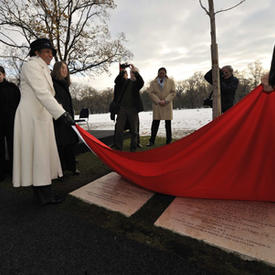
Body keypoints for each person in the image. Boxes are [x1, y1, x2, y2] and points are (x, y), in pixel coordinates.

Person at [13, 38, 75, 206]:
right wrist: (61, 114)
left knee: (40, 155)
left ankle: (42, 195)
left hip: (41, 115)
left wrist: (60, 109)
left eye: (51, 52)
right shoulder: (31, 66)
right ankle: (45, 196)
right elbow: (41, 92)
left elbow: (48, 95)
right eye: (46, 52)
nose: (50, 55)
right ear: (36, 52)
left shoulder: (44, 69)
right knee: (38, 155)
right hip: (31, 116)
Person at [51, 61, 80, 176]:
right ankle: (61, 169)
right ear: (57, 70)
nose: (65, 70)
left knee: (70, 143)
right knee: (61, 144)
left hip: (68, 118)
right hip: (59, 118)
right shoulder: (53, 83)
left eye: (66, 68)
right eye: (62, 68)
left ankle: (72, 167)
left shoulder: (64, 84)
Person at [113, 63, 144, 152]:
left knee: (134, 131)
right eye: (131, 72)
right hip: (122, 109)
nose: (132, 74)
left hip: (133, 109)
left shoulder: (137, 83)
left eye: (133, 73)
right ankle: (118, 148)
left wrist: (136, 72)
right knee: (119, 130)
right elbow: (117, 81)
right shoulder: (126, 81)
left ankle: (133, 148)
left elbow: (141, 82)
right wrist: (122, 71)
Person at [0, 66, 20, 181]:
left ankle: (15, 171)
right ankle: (1, 173)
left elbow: (19, 102)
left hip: (11, 122)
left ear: (4, 74)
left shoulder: (12, 88)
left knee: (13, 147)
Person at [146, 67, 176, 147]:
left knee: (168, 124)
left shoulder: (171, 81)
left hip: (167, 104)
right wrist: (158, 101)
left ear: (165, 73)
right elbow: (151, 93)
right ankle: (151, 141)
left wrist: (166, 100)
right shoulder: (153, 82)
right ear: (158, 73)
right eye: (160, 73)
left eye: (163, 73)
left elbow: (173, 92)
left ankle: (169, 140)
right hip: (157, 105)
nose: (161, 74)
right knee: (155, 124)